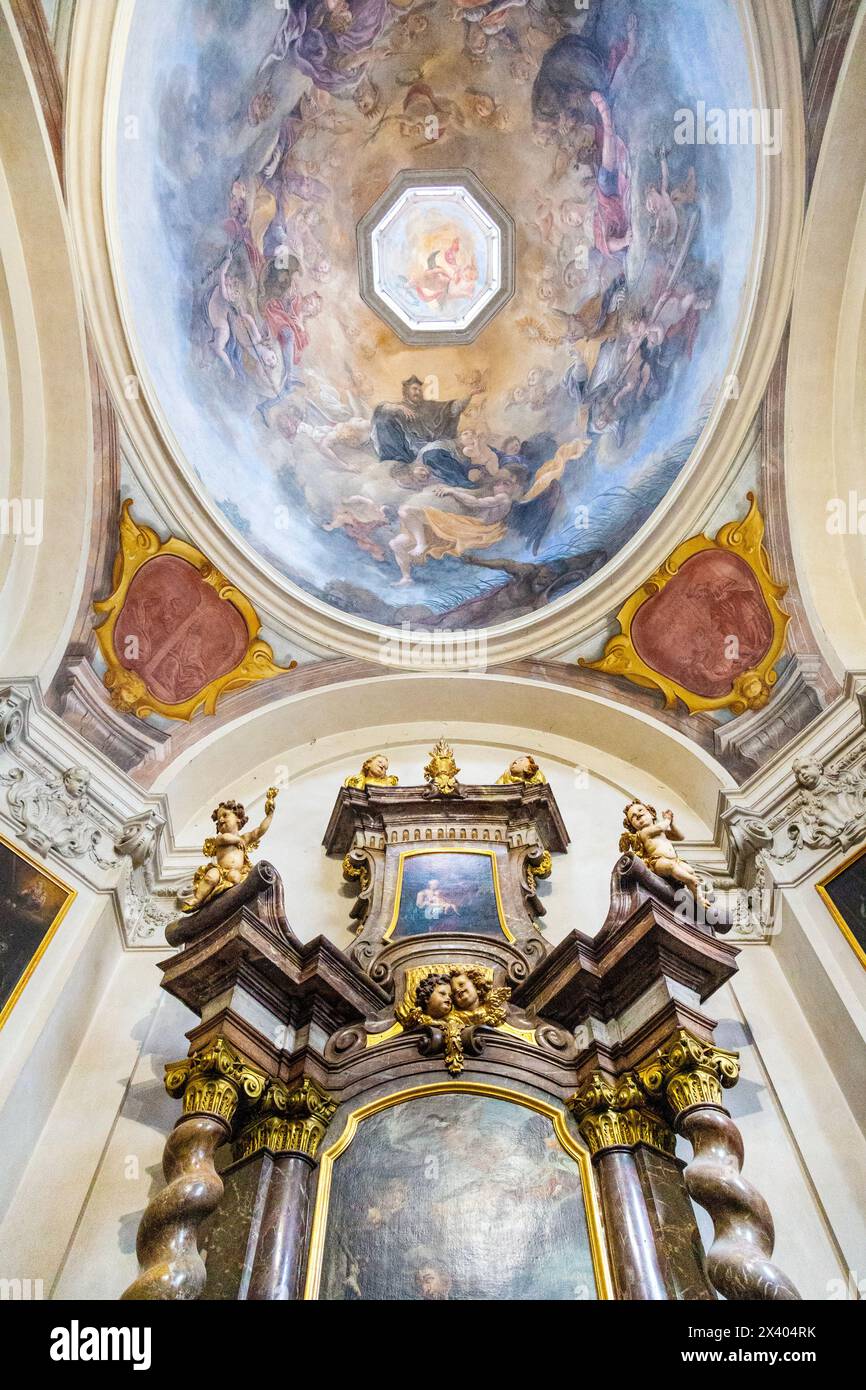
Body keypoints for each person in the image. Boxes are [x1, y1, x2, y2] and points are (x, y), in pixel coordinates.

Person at [371, 376, 479, 475]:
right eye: (414, 389)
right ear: (406, 391)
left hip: (422, 447)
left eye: (419, 390)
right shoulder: (397, 406)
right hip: (403, 450)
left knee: (435, 456)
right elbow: (380, 410)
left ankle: (465, 474)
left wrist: (469, 395)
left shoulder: (428, 406)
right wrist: (399, 408)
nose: (418, 392)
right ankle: (395, 461)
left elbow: (452, 408)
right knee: (383, 419)